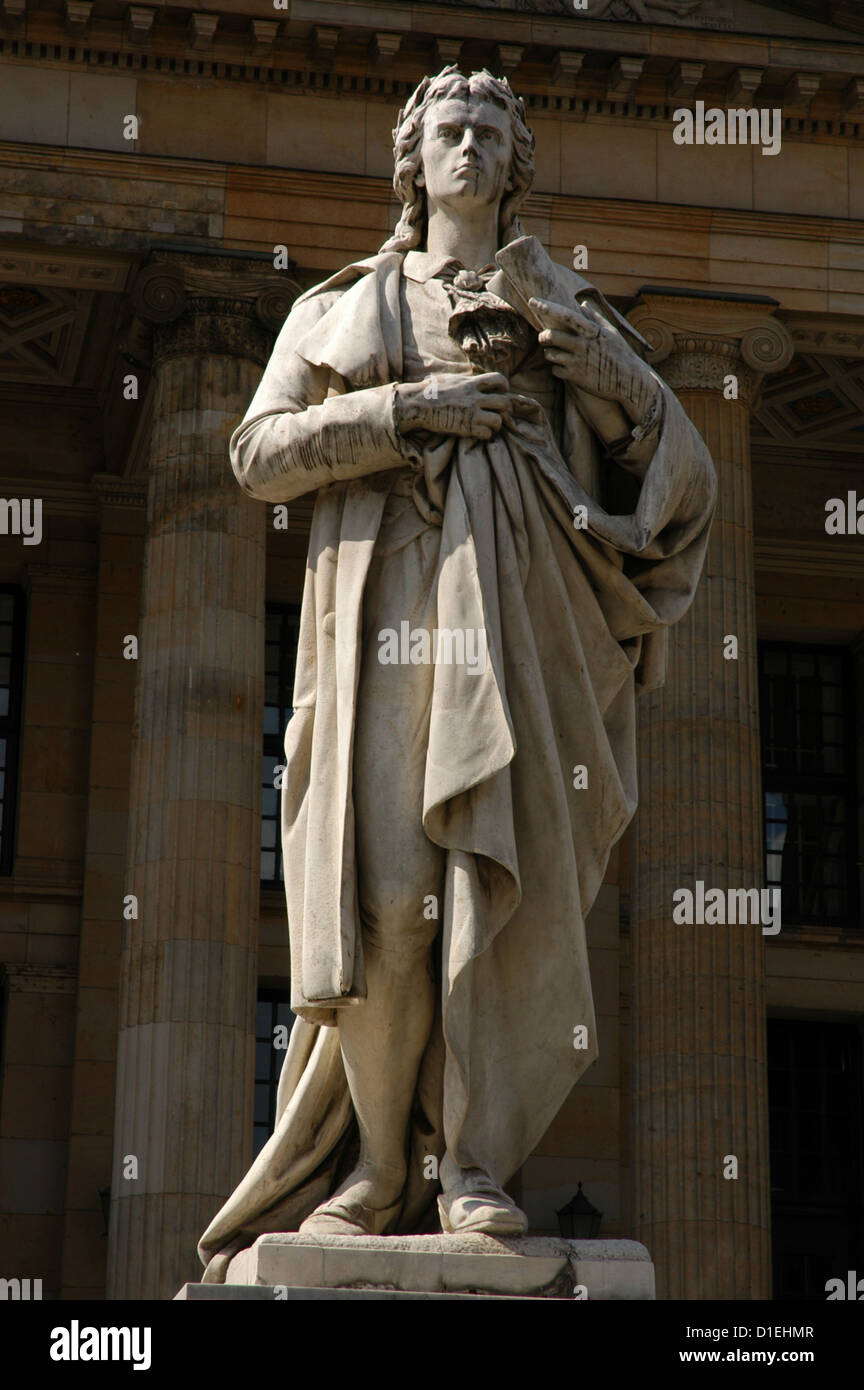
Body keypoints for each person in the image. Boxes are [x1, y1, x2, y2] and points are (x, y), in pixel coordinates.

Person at [197, 67, 715, 1280]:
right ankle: (380, 1171)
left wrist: (603, 376)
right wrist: (407, 411)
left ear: (517, 160)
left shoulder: (565, 303)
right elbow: (257, 451)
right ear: (414, 160)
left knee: (497, 892)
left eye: (492, 130)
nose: (471, 146)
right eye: (451, 130)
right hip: (385, 628)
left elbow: (680, 469)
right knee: (384, 894)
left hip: (520, 640)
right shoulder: (344, 307)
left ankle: (473, 1166)